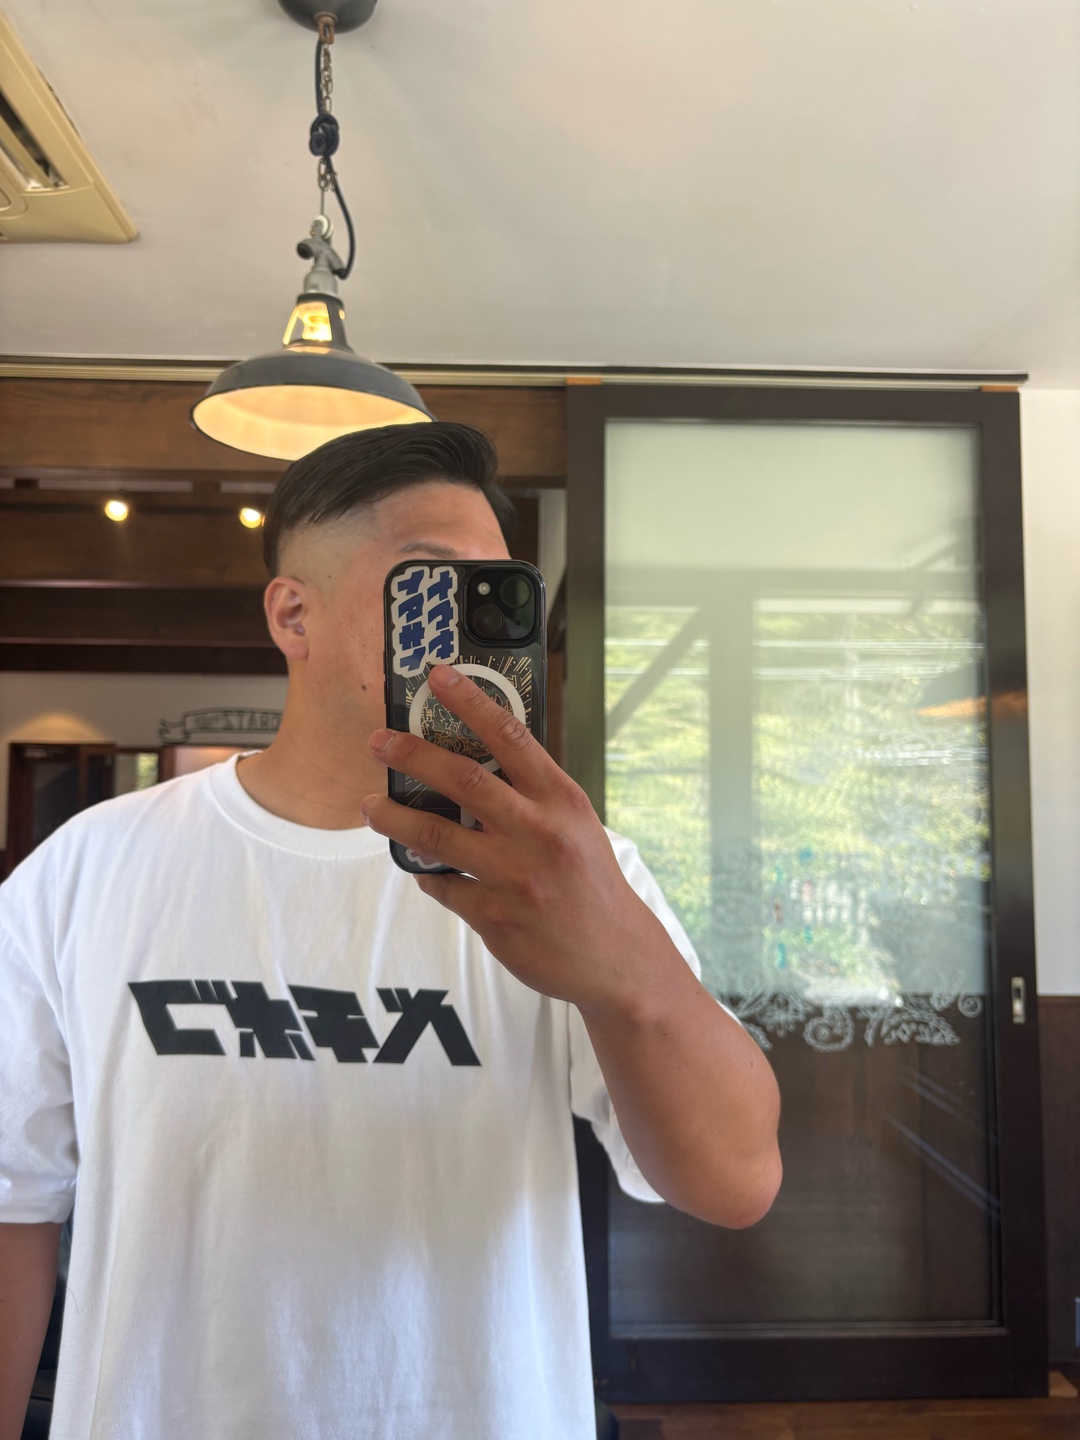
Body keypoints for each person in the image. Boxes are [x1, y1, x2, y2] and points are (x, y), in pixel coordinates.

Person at [0, 422, 781, 1440]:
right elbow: (13, 1201)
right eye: (433, 585)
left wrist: (627, 969)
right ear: (294, 614)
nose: (474, 629)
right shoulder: (84, 870)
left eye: (496, 594)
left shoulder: (568, 874)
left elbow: (735, 1181)